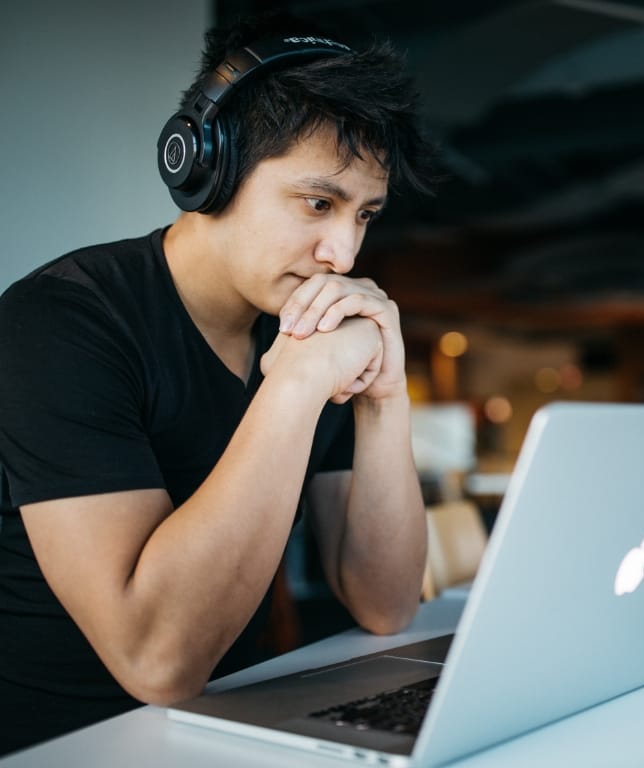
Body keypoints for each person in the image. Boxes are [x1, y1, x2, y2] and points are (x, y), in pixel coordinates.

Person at [0, 12, 435, 755]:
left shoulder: (303, 322)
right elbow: (157, 660)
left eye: (366, 214)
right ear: (209, 169)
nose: (344, 250)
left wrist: (382, 397)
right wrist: (295, 385)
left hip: (226, 730)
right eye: (318, 203)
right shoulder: (60, 324)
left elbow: (386, 603)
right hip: (63, 745)